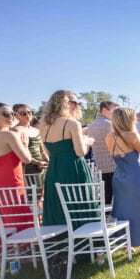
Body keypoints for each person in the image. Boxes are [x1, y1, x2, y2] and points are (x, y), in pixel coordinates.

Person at [106, 108, 140, 253]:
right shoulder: (131, 134)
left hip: (119, 177)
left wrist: (139, 137)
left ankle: (126, 244)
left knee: (123, 210)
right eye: (133, 117)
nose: (136, 119)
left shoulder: (109, 137)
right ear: (128, 119)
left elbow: (124, 153)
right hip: (136, 175)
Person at [39, 90, 95, 226]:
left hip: (54, 169)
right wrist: (87, 141)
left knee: (58, 203)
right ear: (65, 104)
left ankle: (61, 239)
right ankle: (85, 238)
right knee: (79, 200)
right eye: (74, 102)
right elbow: (80, 152)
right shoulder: (72, 123)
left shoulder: (43, 124)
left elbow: (47, 152)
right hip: (74, 168)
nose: (77, 106)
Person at [0, 103, 34, 230]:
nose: (11, 117)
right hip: (12, 182)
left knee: (1, 216)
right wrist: (25, 144)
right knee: (17, 213)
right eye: (6, 114)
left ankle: (5, 245)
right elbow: (27, 159)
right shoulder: (9, 135)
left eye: (12, 114)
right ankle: (24, 245)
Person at [87, 100, 119, 205]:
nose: (116, 115)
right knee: (115, 196)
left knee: (106, 196)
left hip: (99, 165)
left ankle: (106, 217)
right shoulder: (110, 124)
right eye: (114, 111)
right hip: (112, 164)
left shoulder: (91, 126)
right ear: (105, 110)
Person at [12, 104, 48, 174]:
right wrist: (37, 163)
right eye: (23, 113)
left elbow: (42, 151)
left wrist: (47, 162)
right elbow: (20, 152)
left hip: (42, 165)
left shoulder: (36, 130)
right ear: (16, 116)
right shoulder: (16, 130)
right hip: (27, 166)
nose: (27, 115)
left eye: (30, 112)